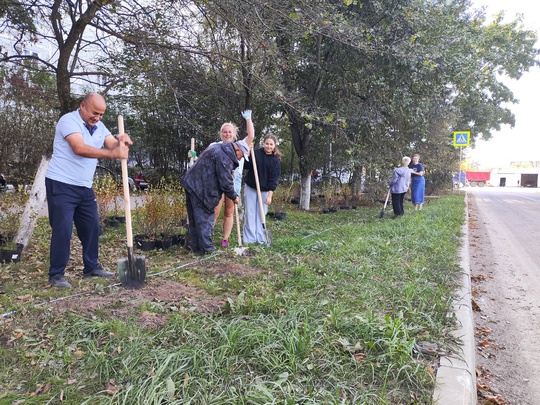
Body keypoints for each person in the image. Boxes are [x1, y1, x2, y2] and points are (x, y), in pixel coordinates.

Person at [45, 93, 132, 288]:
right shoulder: (68, 121)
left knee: (92, 227)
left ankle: (91, 267)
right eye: (95, 113)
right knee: (63, 230)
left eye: (101, 114)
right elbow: (79, 148)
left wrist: (122, 141)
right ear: (82, 105)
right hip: (61, 184)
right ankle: (56, 274)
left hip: (84, 186)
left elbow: (113, 144)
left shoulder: (99, 127)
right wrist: (112, 154)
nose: (98, 118)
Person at [180, 140, 250, 254]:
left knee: (194, 218)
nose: (240, 159)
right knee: (205, 217)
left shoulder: (219, 148)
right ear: (237, 150)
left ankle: (195, 247)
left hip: (191, 183)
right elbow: (225, 183)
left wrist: (228, 173)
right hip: (200, 188)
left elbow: (217, 171)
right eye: (241, 156)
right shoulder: (225, 156)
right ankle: (207, 250)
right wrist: (234, 196)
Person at [208, 111, 254, 248]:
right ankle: (207, 236)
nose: (227, 134)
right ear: (221, 133)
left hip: (234, 181)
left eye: (229, 132)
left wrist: (248, 119)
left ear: (233, 134)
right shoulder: (214, 146)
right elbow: (205, 160)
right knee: (215, 210)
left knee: (229, 211)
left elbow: (251, 135)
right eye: (225, 132)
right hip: (217, 181)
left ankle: (225, 239)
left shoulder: (239, 146)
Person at [242, 134, 281, 244]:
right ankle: (249, 239)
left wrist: (270, 195)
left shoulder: (275, 161)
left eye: (271, 144)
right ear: (263, 144)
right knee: (250, 213)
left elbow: (274, 179)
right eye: (267, 144)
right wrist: (249, 153)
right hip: (251, 187)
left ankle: (260, 238)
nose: (268, 146)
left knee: (261, 214)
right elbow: (246, 165)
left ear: (274, 145)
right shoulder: (256, 154)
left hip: (264, 191)